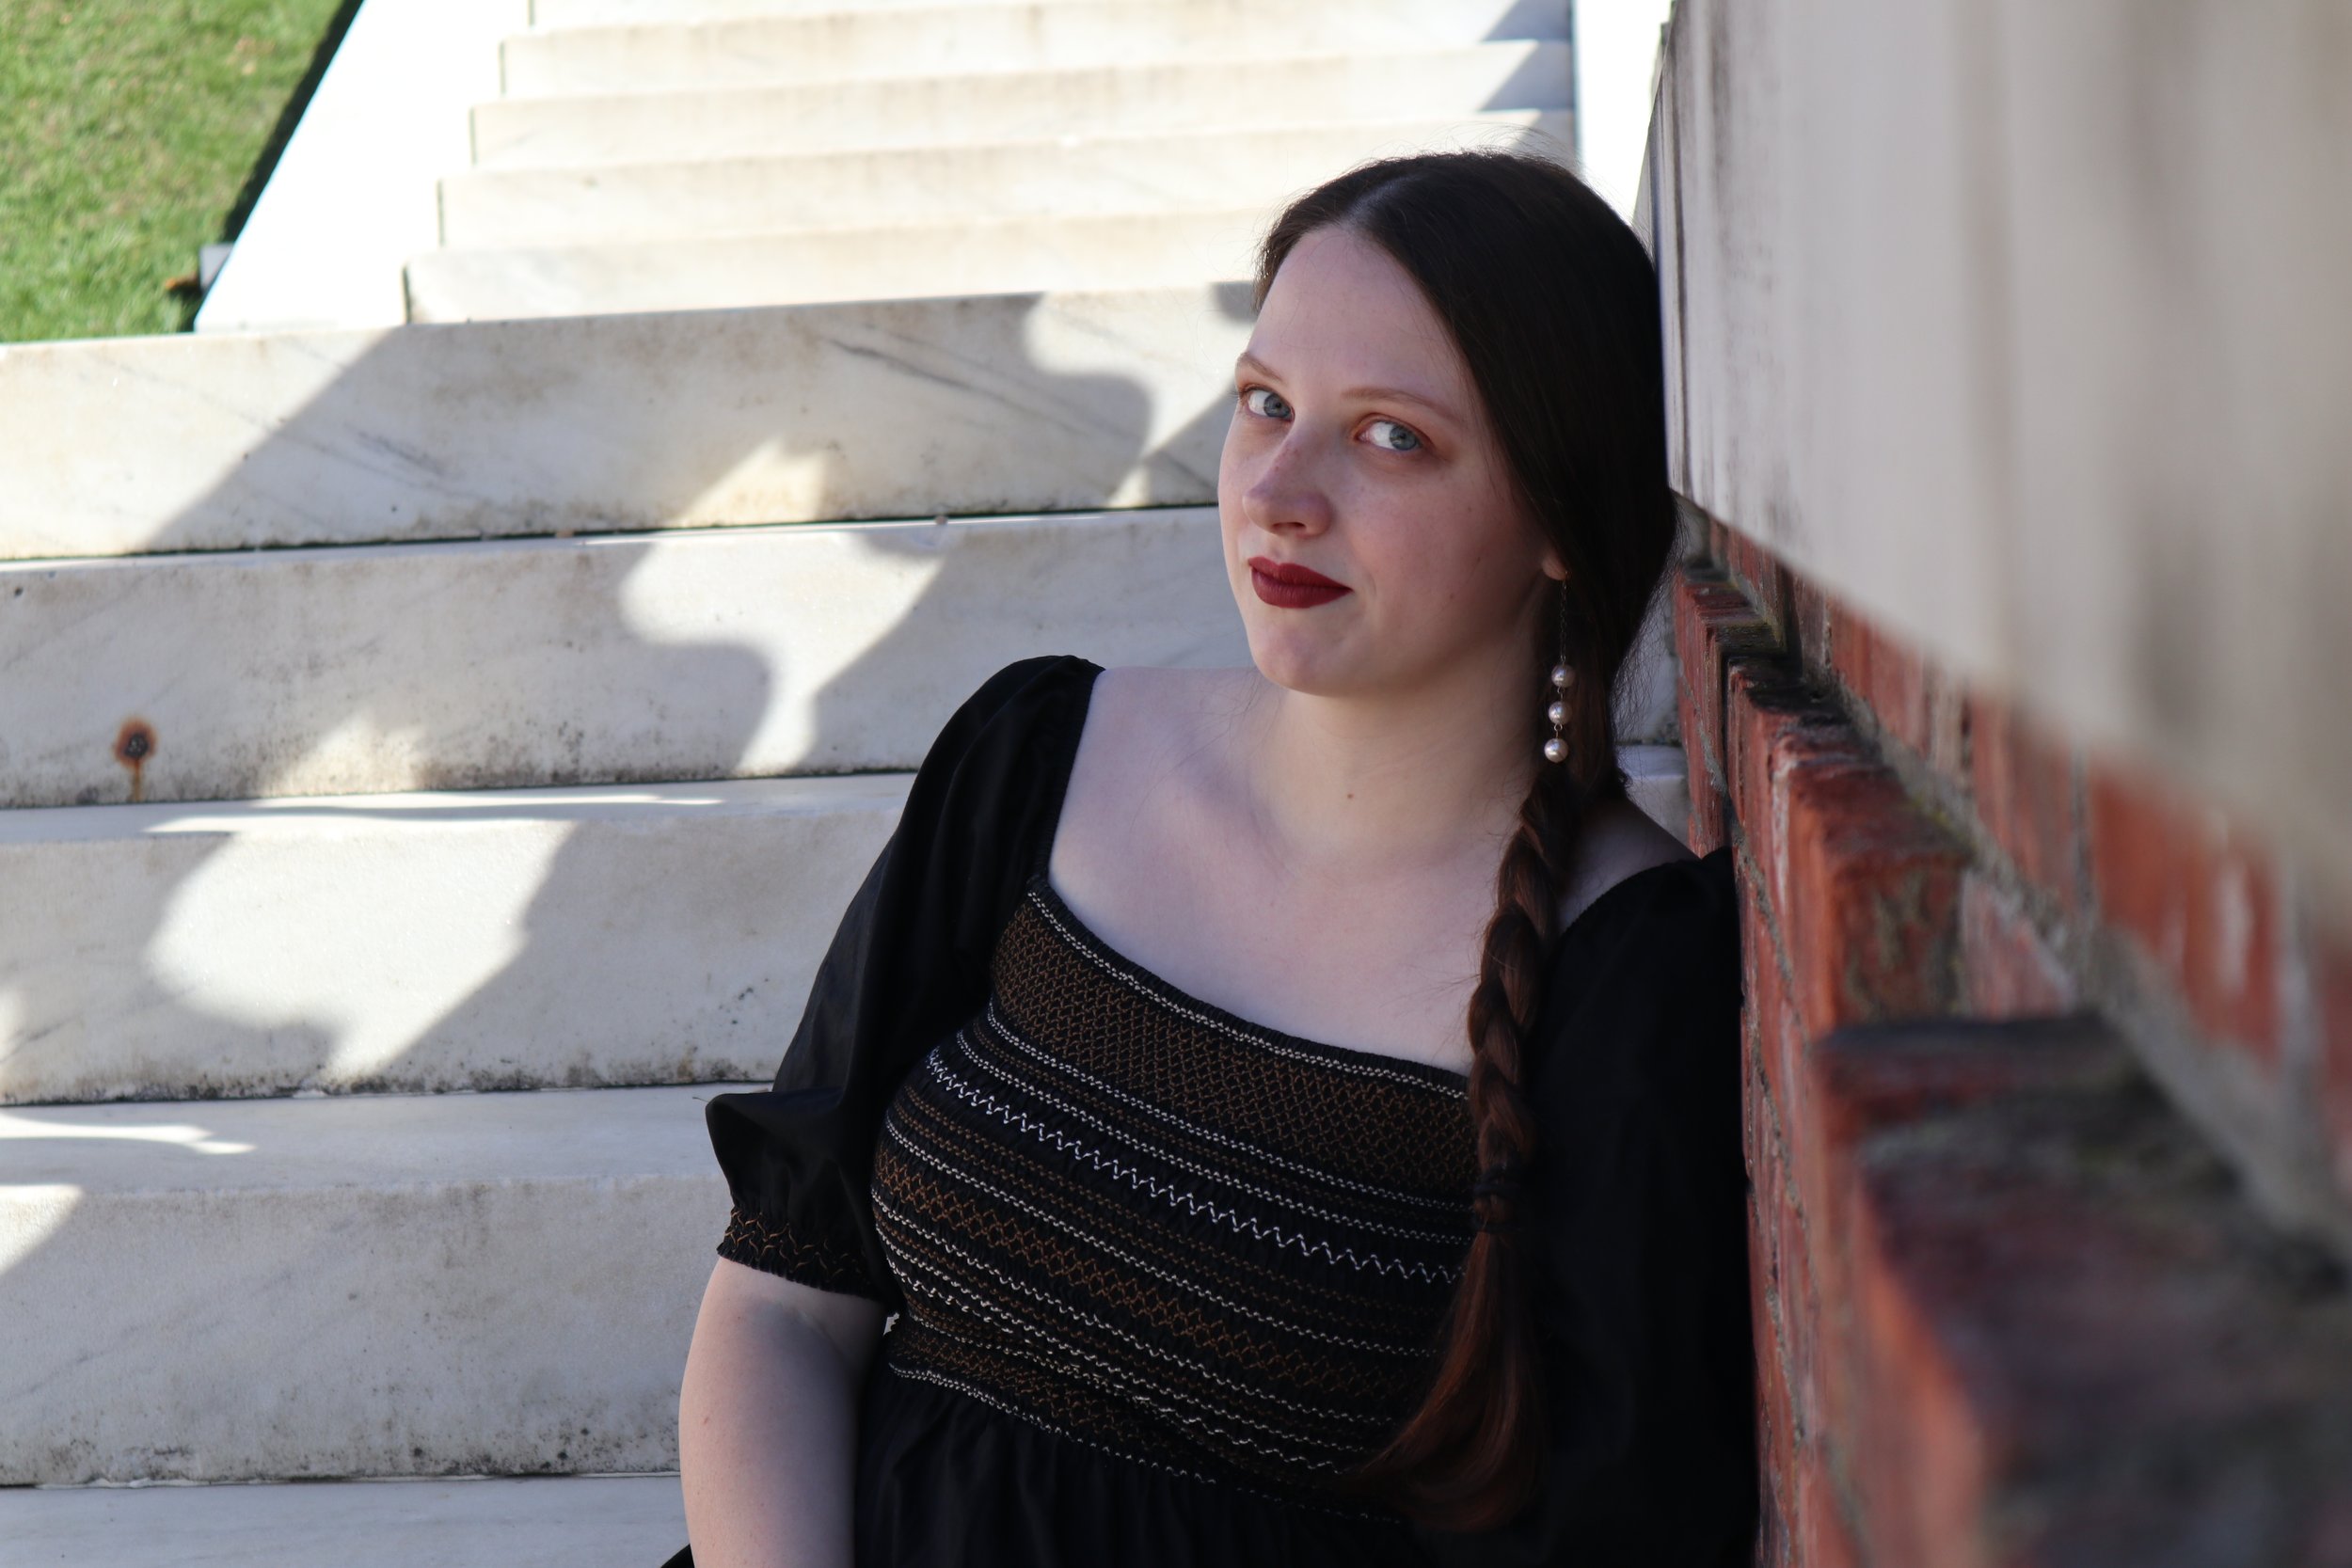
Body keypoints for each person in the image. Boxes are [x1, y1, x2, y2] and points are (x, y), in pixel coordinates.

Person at [663, 150, 1756, 1568]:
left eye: (1392, 438)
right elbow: (781, 1303)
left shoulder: (1625, 967)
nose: (1280, 493)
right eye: (1265, 405)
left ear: (1559, 514)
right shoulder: (1037, 757)